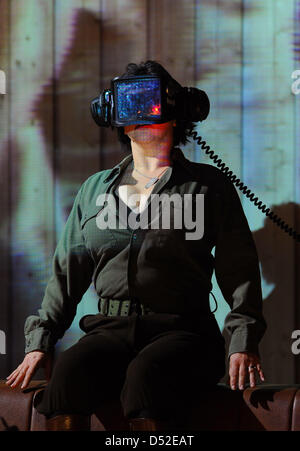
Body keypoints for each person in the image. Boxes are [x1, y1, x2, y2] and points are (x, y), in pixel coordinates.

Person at [5, 60, 267, 431]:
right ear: (115, 115)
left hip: (184, 330)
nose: (142, 114)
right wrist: (41, 340)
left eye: (152, 102)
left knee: (147, 378)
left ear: (177, 112)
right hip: (110, 328)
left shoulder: (209, 187)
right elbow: (67, 273)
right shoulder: (94, 190)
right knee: (68, 377)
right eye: (131, 103)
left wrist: (243, 339)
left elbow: (239, 268)